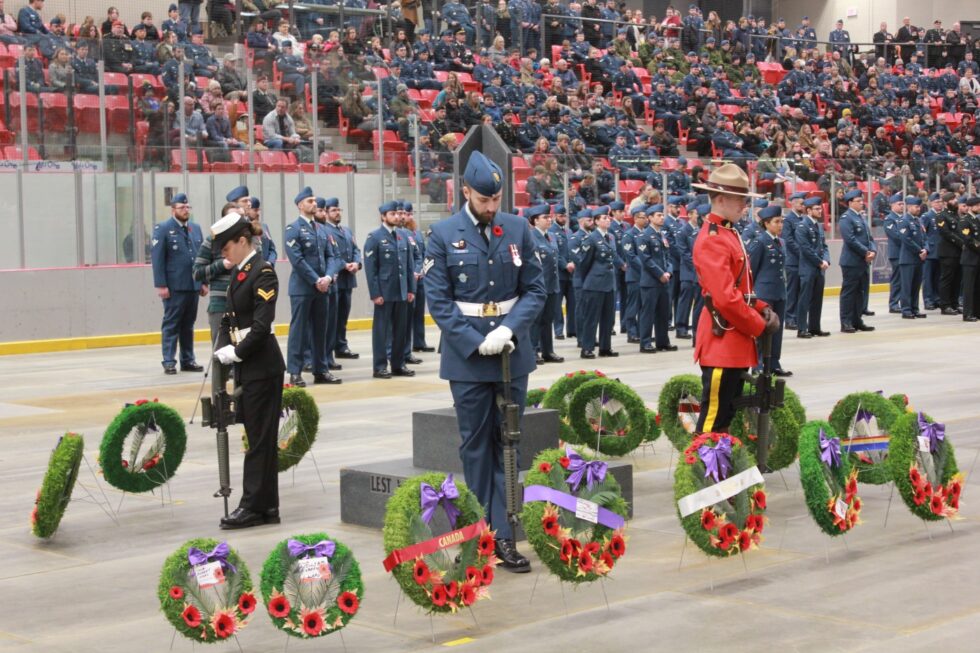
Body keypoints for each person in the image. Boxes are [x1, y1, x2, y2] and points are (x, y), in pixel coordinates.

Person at [423, 151, 544, 572]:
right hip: (468, 358)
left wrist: (508, 330)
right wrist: (476, 343)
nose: (492, 208)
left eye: (496, 199)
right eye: (484, 199)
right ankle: (481, 534)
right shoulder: (442, 233)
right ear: (466, 191)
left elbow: (536, 290)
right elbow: (438, 301)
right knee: (475, 448)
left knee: (508, 445)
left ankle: (505, 536)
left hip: (512, 351)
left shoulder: (517, 228)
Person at [690, 164, 779, 434]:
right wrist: (758, 325)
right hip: (722, 340)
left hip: (733, 339)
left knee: (726, 414)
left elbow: (740, 288)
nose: (744, 205)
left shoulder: (728, 232)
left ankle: (721, 468)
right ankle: (703, 472)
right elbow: (726, 298)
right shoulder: (713, 239)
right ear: (720, 199)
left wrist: (762, 308)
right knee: (713, 419)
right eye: (740, 199)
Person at [284, 186, 339, 387]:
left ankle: (320, 369)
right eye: (309, 201)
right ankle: (295, 372)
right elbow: (297, 260)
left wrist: (328, 277)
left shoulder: (323, 230)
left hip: (323, 287)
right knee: (299, 331)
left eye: (314, 200)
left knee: (320, 330)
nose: (314, 204)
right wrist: (316, 279)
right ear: (300, 205)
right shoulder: (293, 229)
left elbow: (332, 256)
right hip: (303, 288)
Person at [151, 193, 206, 375]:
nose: (185, 210)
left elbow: (201, 256)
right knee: (172, 323)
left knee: (188, 324)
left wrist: (204, 281)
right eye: (182, 208)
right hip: (174, 286)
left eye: (187, 207)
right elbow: (158, 258)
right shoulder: (164, 228)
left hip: (193, 284)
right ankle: (168, 360)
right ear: (173, 209)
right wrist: (161, 284)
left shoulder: (195, 229)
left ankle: (188, 359)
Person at [364, 202, 416, 379]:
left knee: (401, 331)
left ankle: (398, 364)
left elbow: (409, 266)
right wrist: (375, 293)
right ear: (383, 216)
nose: (397, 217)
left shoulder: (403, 236)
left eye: (397, 214)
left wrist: (411, 289)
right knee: (381, 331)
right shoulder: (375, 237)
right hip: (384, 292)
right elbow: (371, 269)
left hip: (401, 290)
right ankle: (379, 366)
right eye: (392, 214)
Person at [747, 206, 791, 376]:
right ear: (766, 223)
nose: (780, 225)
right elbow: (752, 270)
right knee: (762, 329)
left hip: (779, 291)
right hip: (764, 293)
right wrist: (753, 293)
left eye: (781, 222)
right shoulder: (759, 242)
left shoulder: (781, 242)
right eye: (776, 222)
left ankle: (774, 363)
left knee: (777, 329)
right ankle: (758, 364)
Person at [578, 206, 623, 359]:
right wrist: (589, 280)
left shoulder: (610, 237)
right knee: (591, 318)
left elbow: (614, 256)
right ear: (596, 221)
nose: (608, 220)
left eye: (608, 217)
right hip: (595, 284)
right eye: (604, 218)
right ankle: (587, 348)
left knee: (607, 318)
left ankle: (605, 347)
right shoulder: (591, 238)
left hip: (609, 283)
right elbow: (584, 263)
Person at [322, 197, 362, 361]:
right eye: (334, 210)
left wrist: (357, 263)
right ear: (326, 213)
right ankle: (329, 350)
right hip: (335, 279)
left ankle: (341, 345)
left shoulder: (346, 231)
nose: (337, 213)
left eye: (339, 210)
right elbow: (332, 255)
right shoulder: (325, 230)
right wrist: (345, 264)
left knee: (343, 315)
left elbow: (355, 249)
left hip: (347, 280)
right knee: (332, 318)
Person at [637, 204, 676, 354]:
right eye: (658, 215)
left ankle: (662, 341)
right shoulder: (644, 236)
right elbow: (646, 260)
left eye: (662, 215)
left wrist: (669, 272)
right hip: (651, 281)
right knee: (648, 313)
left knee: (663, 313)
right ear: (650, 218)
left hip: (664, 280)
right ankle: (645, 342)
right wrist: (661, 274)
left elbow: (667, 257)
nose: (662, 217)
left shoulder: (662, 235)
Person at [527, 204, 563, 364]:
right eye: (545, 217)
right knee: (536, 321)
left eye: (549, 217)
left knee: (548, 320)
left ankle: (548, 351)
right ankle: (533, 351)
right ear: (535, 220)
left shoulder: (551, 236)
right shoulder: (530, 237)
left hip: (552, 285)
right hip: (539, 286)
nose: (549, 220)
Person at [838, 190, 876, 334]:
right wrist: (866, 252)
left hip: (863, 261)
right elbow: (850, 239)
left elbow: (869, 238)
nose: (862, 203)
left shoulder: (861, 217)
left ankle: (857, 319)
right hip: (852, 261)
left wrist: (872, 251)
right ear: (850, 203)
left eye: (862, 200)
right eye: (858, 201)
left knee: (861, 292)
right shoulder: (846, 218)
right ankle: (846, 321)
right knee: (849, 292)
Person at [795, 197, 830, 338]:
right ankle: (802, 328)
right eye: (816, 209)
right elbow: (805, 248)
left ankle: (815, 327)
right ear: (808, 211)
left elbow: (824, 246)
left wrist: (826, 260)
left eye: (820, 208)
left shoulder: (819, 226)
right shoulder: (802, 226)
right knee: (805, 299)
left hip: (819, 268)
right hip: (808, 267)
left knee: (817, 299)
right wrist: (819, 262)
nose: (820, 211)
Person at [899, 196, 928, 319]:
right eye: (916, 207)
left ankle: (914, 308)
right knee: (907, 286)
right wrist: (920, 250)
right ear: (909, 207)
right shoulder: (903, 220)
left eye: (919, 207)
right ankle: (906, 309)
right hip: (908, 259)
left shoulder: (918, 221)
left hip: (919, 258)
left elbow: (925, 238)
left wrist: (926, 249)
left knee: (916, 285)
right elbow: (906, 239)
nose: (918, 209)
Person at [549, 205, 575, 340]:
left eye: (565, 216)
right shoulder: (551, 232)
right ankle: (559, 330)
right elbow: (555, 253)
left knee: (572, 302)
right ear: (554, 216)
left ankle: (572, 329)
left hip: (571, 274)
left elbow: (572, 250)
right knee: (557, 305)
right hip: (559, 273)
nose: (563, 218)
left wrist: (573, 263)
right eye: (560, 216)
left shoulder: (569, 231)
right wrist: (565, 265)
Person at [935, 193, 963, 315]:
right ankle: (945, 305)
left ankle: (954, 303)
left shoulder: (956, 215)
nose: (955, 201)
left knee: (957, 279)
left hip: (958, 252)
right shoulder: (941, 216)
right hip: (948, 252)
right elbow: (946, 233)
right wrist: (962, 243)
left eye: (955, 199)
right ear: (946, 202)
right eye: (952, 199)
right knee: (947, 279)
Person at [883, 193, 906, 314]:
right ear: (892, 205)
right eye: (899, 204)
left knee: (904, 280)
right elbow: (896, 236)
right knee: (897, 279)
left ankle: (903, 302)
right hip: (897, 253)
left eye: (903, 204)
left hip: (905, 253)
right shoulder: (889, 219)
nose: (902, 206)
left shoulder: (904, 218)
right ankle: (893, 303)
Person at [960, 197, 980, 322]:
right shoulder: (965, 221)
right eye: (977, 205)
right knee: (969, 287)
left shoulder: (976, 220)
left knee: (977, 287)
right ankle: (967, 313)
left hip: (977, 258)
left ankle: (977, 311)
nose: (979, 208)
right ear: (971, 206)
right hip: (970, 259)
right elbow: (968, 240)